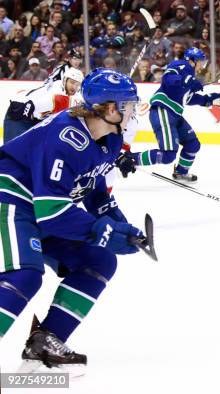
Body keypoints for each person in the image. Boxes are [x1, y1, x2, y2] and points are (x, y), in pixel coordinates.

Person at [0, 68, 143, 372]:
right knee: (25, 275)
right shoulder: (66, 137)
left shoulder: (110, 140)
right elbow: (52, 212)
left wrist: (118, 224)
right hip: (11, 197)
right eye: (128, 105)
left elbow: (93, 191)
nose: (133, 111)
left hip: (37, 205)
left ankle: (45, 342)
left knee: (100, 260)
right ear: (108, 109)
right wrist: (101, 230)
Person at [117, 48, 220, 183]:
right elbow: (169, 79)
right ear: (193, 60)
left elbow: (187, 98)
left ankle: (181, 172)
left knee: (193, 144)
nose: (202, 65)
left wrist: (208, 100)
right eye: (201, 62)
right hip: (163, 111)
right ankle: (130, 159)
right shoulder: (181, 65)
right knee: (168, 155)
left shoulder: (190, 76)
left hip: (174, 114)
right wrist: (187, 82)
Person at [3, 67, 84, 143]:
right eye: (72, 82)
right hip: (19, 110)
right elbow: (31, 105)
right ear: (65, 80)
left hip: (32, 115)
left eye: (78, 84)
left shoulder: (64, 91)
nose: (74, 87)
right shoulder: (55, 95)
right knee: (14, 151)